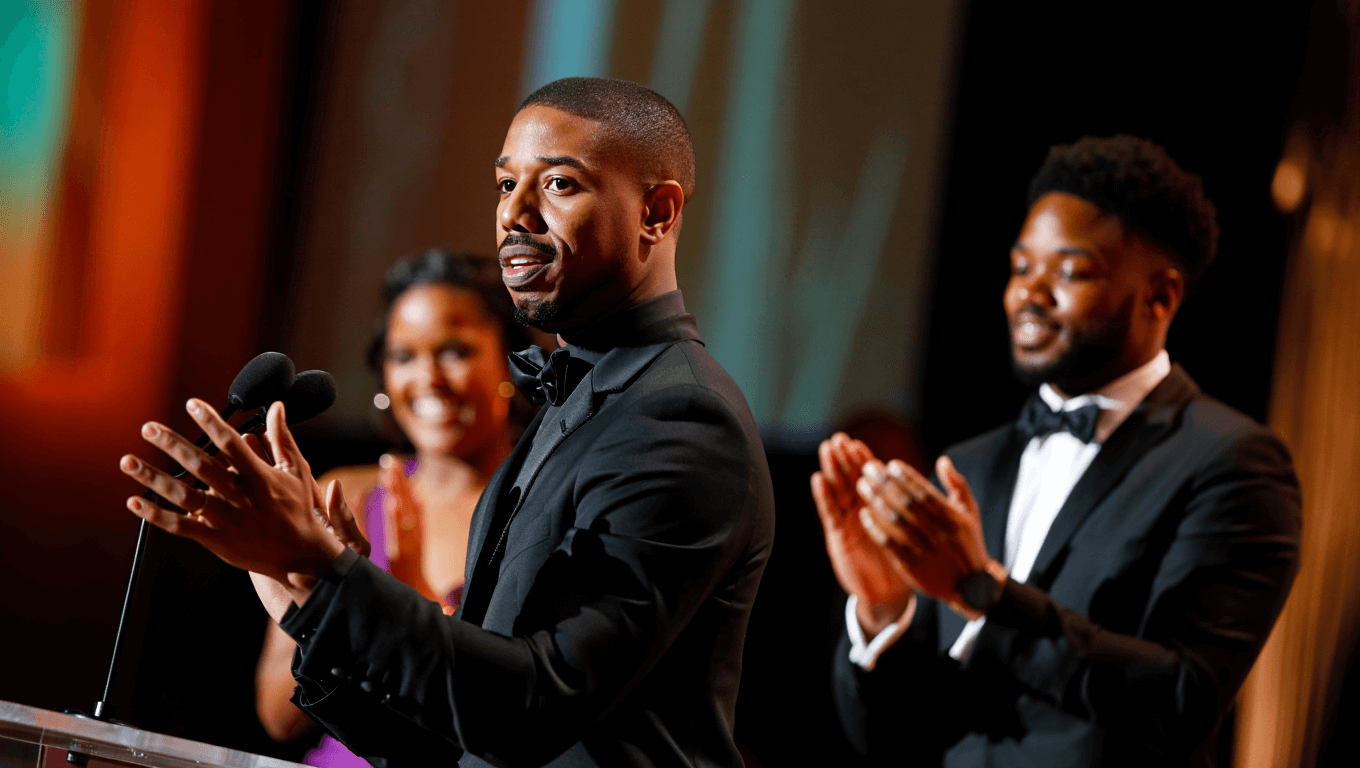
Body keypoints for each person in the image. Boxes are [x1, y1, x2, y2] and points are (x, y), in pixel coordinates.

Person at [119, 76, 775, 768]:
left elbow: (534, 708)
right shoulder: (571, 406)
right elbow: (450, 739)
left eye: (557, 185)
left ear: (657, 212)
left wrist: (323, 566)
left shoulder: (681, 420)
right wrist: (306, 593)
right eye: (504, 185)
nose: (514, 215)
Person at [814, 135, 1301, 767]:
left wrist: (981, 592)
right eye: (1021, 268)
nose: (1029, 295)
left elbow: (1184, 699)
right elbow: (886, 737)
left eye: (1069, 272)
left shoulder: (1231, 463)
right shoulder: (970, 464)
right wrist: (883, 610)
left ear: (1161, 296)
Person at [255, 250, 532, 765]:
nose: (427, 377)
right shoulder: (347, 497)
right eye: (404, 356)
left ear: (510, 360)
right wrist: (328, 600)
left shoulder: (539, 507)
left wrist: (398, 612)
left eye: (454, 350)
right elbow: (278, 714)